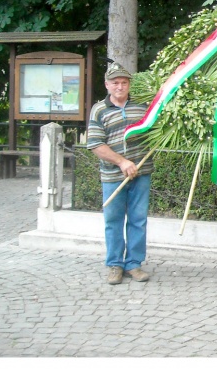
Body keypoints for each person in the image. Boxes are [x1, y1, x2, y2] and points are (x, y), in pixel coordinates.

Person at [87, 61, 155, 285]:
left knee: (138, 219)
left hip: (141, 172)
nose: (119, 86)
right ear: (107, 85)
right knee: (113, 220)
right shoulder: (99, 110)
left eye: (124, 82)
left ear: (129, 84)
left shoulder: (142, 105)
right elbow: (96, 144)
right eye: (115, 83)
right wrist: (122, 162)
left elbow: (154, 130)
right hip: (113, 176)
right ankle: (115, 264)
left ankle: (134, 264)